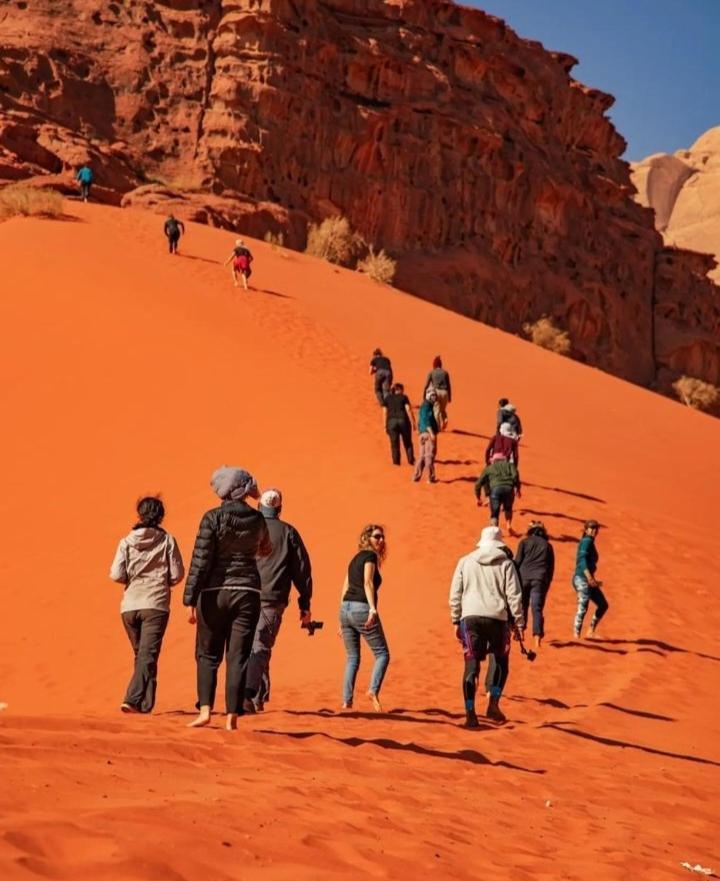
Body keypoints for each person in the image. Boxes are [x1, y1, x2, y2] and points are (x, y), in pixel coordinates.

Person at [183, 467, 272, 730]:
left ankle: (205, 710)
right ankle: (232, 715)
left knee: (208, 654)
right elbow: (265, 549)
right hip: (247, 593)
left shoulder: (211, 518)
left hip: (214, 593)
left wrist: (190, 598)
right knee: (238, 655)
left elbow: (200, 561)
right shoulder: (258, 520)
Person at [109, 496, 185, 714]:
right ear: (160, 516)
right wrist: (163, 581)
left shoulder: (126, 542)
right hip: (155, 604)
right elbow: (178, 574)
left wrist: (132, 580)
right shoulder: (167, 540)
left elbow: (116, 574)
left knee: (143, 655)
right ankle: (132, 699)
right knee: (147, 655)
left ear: (140, 514)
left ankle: (145, 704)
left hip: (130, 605)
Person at [244, 488, 313, 712]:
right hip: (272, 599)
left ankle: (254, 695)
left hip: (242, 595)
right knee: (261, 645)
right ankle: (251, 696)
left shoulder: (247, 530)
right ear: (279, 509)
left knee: (249, 645)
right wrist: (305, 604)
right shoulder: (289, 532)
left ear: (259, 507)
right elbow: (302, 571)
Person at [449, 525, 524, 727]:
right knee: (501, 662)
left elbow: (455, 593)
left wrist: (455, 619)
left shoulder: (465, 561)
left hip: (470, 618)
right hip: (497, 619)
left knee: (471, 666)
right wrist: (519, 622)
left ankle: (470, 712)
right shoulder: (506, 564)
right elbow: (514, 596)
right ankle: (493, 703)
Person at [339, 524, 390, 712]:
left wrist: (341, 619)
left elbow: (345, 587)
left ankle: (346, 702)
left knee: (352, 657)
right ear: (367, 538)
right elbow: (368, 582)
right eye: (377, 537)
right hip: (361, 608)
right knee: (382, 654)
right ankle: (373, 690)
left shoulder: (354, 560)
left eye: (382, 537)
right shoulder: (370, 556)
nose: (381, 540)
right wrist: (372, 609)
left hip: (345, 609)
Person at [515, 521, 555, 648]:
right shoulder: (548, 546)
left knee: (523, 605)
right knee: (536, 608)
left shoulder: (524, 542)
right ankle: (537, 640)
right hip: (540, 579)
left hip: (523, 578)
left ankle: (520, 633)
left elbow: (517, 562)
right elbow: (551, 568)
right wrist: (546, 583)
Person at [572, 519, 608, 639]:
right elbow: (581, 560)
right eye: (591, 528)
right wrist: (589, 577)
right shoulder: (587, 541)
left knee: (603, 604)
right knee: (583, 606)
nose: (593, 531)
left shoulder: (589, 542)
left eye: (595, 528)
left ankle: (590, 631)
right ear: (586, 529)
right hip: (582, 578)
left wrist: (591, 579)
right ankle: (576, 637)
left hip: (588, 579)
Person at [475, 456, 521, 534]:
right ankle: (508, 525)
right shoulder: (510, 465)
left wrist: (478, 498)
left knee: (495, 512)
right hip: (509, 489)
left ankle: (494, 530)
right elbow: (515, 476)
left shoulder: (489, 468)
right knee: (508, 508)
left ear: (493, 461)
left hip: (495, 490)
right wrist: (517, 488)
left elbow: (478, 484)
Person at [382, 382, 416, 466]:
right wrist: (413, 422)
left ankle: (396, 462)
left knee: (394, 444)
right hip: (403, 421)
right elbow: (408, 410)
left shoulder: (387, 398)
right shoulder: (404, 397)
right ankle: (411, 460)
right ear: (399, 390)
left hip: (391, 422)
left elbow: (384, 412)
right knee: (407, 442)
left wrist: (384, 425)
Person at [413, 387, 439, 483]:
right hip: (428, 434)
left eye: (435, 395)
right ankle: (430, 478)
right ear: (428, 395)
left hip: (422, 434)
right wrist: (431, 433)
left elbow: (420, 420)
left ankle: (416, 476)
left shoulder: (424, 405)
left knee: (421, 456)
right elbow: (427, 420)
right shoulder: (427, 406)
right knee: (429, 456)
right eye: (432, 395)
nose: (434, 397)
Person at [423, 356, 452, 430]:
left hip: (435, 392)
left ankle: (437, 426)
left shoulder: (431, 372)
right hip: (445, 393)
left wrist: (424, 395)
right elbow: (449, 385)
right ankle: (445, 419)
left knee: (436, 409)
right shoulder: (445, 373)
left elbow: (426, 385)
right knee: (442, 409)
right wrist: (450, 397)